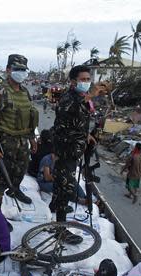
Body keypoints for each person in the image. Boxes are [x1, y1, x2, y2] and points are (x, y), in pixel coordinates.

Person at [0, 54, 39, 208]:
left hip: (22, 141)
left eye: (23, 69)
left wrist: (32, 138)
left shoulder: (25, 91)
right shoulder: (1, 92)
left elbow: (28, 117)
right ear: (8, 70)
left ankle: (14, 190)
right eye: (17, 69)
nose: (20, 72)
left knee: (21, 171)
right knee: (3, 178)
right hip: (6, 142)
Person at [51, 65, 93, 221]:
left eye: (88, 79)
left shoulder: (82, 97)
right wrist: (90, 95)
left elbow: (77, 120)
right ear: (73, 81)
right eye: (83, 79)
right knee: (66, 188)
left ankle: (55, 206)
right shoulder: (68, 98)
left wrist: (86, 135)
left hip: (75, 150)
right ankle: (60, 229)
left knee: (63, 185)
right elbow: (70, 110)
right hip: (65, 150)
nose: (86, 82)